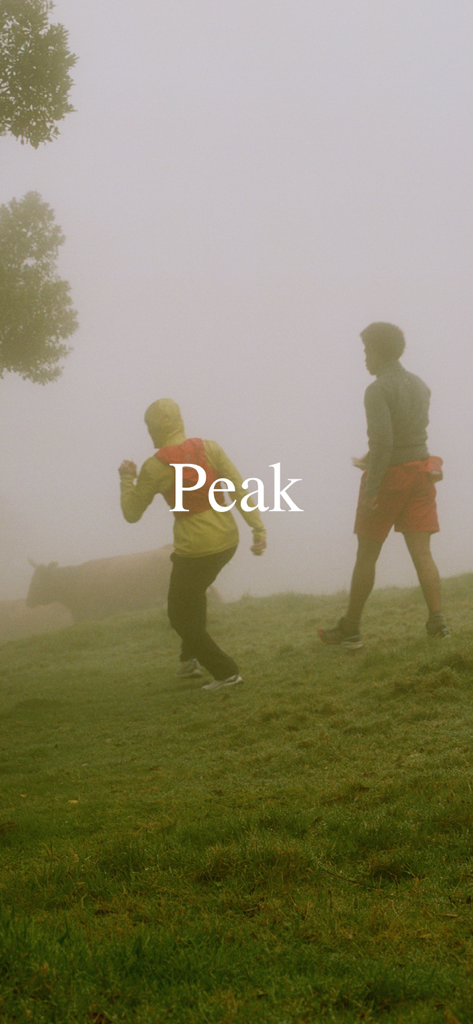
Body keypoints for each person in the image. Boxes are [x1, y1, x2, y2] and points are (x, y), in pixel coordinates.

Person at [119, 398, 266, 689]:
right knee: (194, 593)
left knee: (178, 614)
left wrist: (126, 479)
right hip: (227, 540)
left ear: (156, 428)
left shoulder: (153, 467)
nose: (149, 432)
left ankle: (225, 672)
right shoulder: (210, 448)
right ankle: (188, 661)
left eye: (150, 427)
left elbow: (131, 514)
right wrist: (257, 528)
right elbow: (237, 487)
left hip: (194, 549)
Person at [319, 322, 449, 650]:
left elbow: (384, 440)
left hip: (390, 477)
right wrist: (371, 456)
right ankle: (438, 623)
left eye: (367, 351)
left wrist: (372, 489)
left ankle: (350, 630)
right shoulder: (420, 386)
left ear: (379, 352)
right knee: (422, 552)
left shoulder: (376, 390)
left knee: (367, 553)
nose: (365, 359)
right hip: (420, 472)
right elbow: (407, 435)